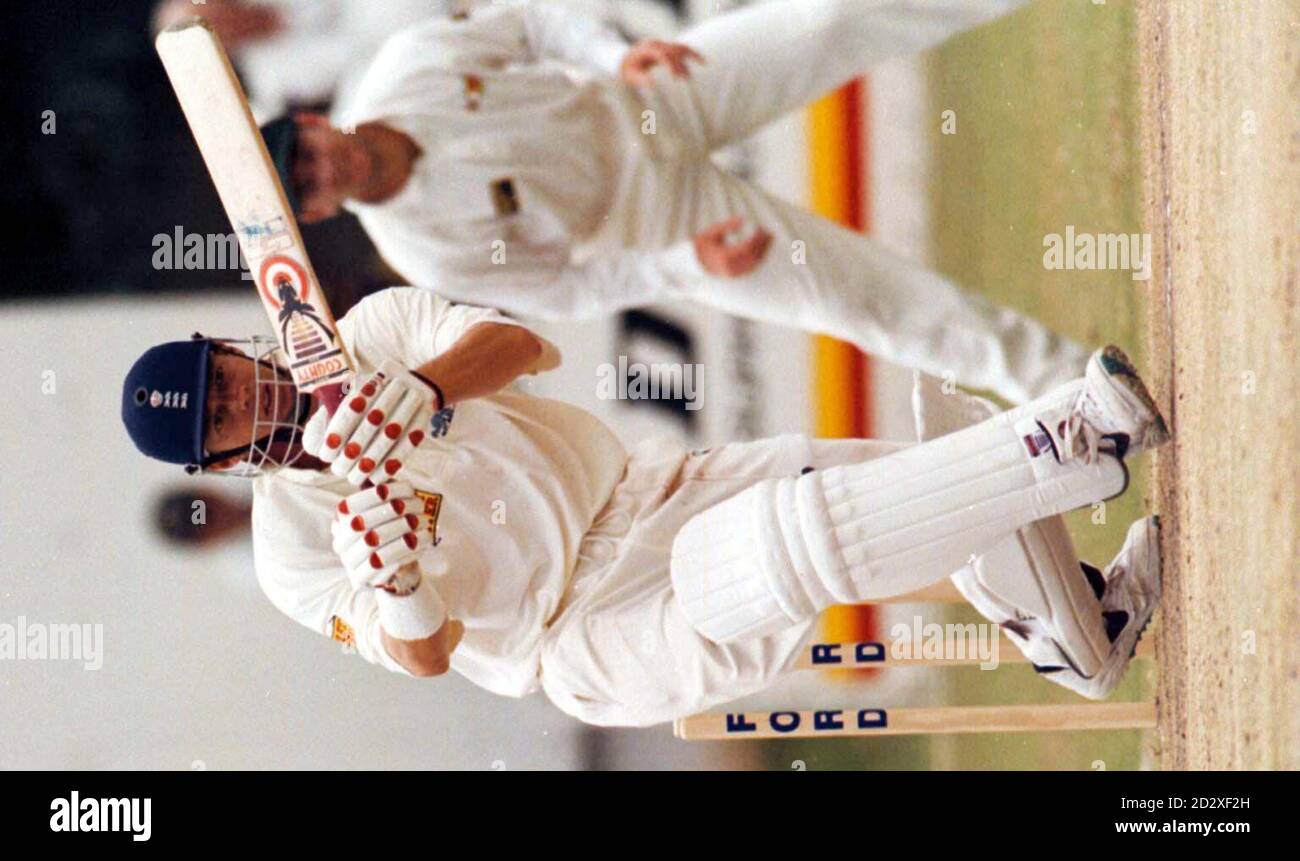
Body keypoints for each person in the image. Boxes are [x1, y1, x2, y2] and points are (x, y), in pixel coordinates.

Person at [120, 287, 1166, 727]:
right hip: (582, 635)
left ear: (230, 347)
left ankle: (1080, 630)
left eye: (220, 373)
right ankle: (1069, 431)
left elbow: (524, 345)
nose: (238, 396)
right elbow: (425, 658)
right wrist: (393, 583)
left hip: (645, 490)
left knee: (868, 485)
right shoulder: (292, 552)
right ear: (215, 462)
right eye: (215, 416)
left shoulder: (374, 333)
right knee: (784, 545)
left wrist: (429, 386)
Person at [262, 0, 1087, 404]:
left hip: (646, 96)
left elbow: (531, 25)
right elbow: (573, 290)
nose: (323, 166)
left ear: (310, 120)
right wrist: (685, 263)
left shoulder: (402, 65)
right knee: (862, 300)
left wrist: (616, 53)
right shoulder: (421, 249)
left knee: (833, 15)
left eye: (306, 150)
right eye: (308, 186)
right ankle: (1078, 387)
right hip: (655, 219)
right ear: (322, 214)